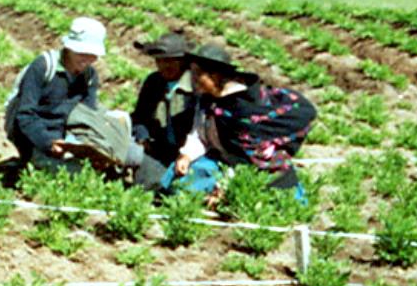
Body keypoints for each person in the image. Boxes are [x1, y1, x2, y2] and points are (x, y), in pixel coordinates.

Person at [171, 42, 316, 193]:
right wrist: (187, 155)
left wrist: (223, 186)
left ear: (214, 76)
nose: (193, 81)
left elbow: (243, 157)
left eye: (197, 75)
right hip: (221, 160)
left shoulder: (244, 109)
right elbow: (199, 132)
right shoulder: (207, 101)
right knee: (178, 183)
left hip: (258, 168)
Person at [4, 16, 106, 172]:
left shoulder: (89, 76)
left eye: (92, 55)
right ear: (69, 48)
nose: (87, 59)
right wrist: (48, 142)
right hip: (30, 132)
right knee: (63, 172)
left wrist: (87, 147)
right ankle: (28, 159)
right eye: (82, 53)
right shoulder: (43, 67)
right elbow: (24, 114)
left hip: (62, 135)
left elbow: (88, 115)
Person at [130, 32, 197, 170]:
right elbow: (140, 116)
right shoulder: (153, 82)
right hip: (159, 148)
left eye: (170, 61)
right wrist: (143, 137)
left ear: (183, 61)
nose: (163, 66)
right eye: (159, 61)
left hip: (189, 152)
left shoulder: (195, 85)